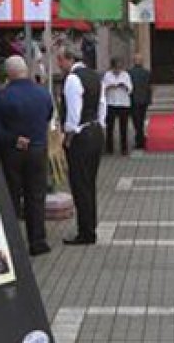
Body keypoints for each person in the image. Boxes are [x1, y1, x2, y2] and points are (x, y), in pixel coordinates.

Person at [0, 56, 54, 256]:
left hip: (12, 152)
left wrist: (13, 138)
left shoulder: (1, 97)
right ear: (26, 70)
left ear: (8, 73)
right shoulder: (43, 94)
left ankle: (13, 242)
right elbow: (48, 116)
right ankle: (38, 241)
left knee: (12, 196)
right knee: (36, 196)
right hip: (38, 150)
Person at [56, 45, 105, 246]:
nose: (59, 65)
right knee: (89, 183)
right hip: (95, 131)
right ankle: (90, 227)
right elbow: (102, 105)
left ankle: (85, 232)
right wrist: (100, 124)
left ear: (68, 59)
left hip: (81, 135)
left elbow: (73, 113)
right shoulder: (95, 76)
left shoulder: (72, 79)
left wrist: (68, 136)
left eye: (60, 60)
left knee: (80, 184)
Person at [101, 58, 133, 156]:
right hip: (111, 103)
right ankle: (109, 148)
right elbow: (103, 88)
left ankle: (124, 148)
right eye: (116, 67)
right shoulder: (107, 75)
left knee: (123, 127)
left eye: (119, 67)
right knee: (110, 127)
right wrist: (109, 86)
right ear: (113, 67)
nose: (118, 69)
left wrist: (124, 86)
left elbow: (130, 88)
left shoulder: (125, 75)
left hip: (123, 103)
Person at [128, 54, 153, 150]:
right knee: (140, 121)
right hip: (140, 100)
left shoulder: (130, 72)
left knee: (137, 121)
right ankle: (141, 139)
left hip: (135, 100)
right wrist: (149, 99)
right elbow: (150, 87)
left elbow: (149, 87)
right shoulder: (145, 72)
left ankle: (140, 140)